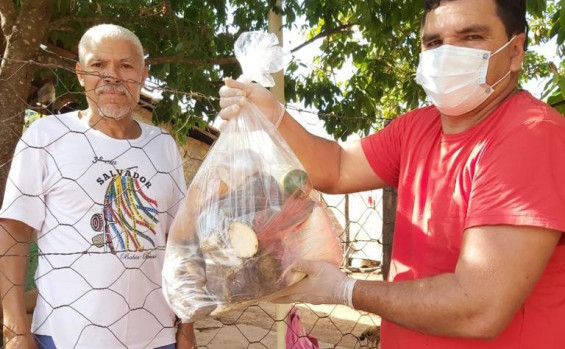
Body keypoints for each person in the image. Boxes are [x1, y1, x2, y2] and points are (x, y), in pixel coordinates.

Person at [218, 0, 565, 348]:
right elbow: (336, 168)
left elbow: (478, 307)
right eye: (433, 43)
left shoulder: (531, 135)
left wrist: (344, 289)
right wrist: (272, 116)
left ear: (515, 51)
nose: (447, 54)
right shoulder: (417, 128)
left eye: (471, 36)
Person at [0, 24, 196, 349]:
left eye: (126, 65)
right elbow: (14, 232)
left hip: (156, 338)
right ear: (80, 73)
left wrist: (186, 328)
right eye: (98, 65)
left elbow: (182, 241)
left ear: (143, 75)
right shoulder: (46, 137)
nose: (112, 76)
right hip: (65, 338)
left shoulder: (163, 145)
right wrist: (16, 329)